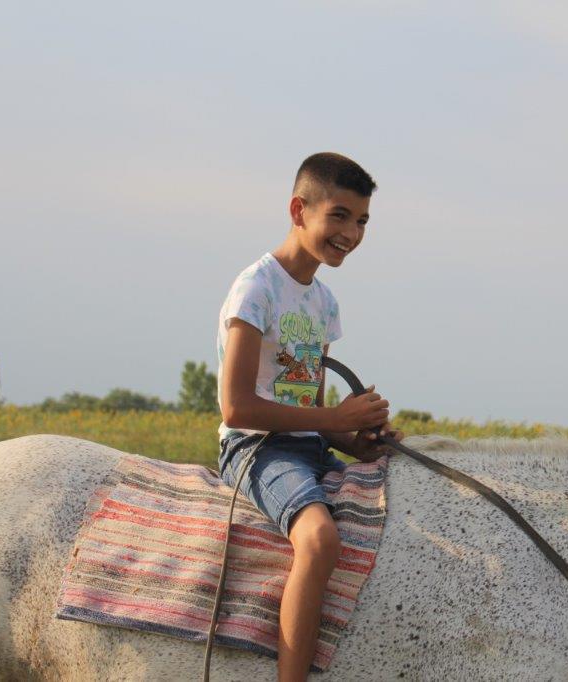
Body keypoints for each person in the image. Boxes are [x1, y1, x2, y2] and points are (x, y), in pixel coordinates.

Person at [216, 152, 400, 681]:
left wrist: (359, 439)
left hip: (305, 445)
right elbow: (237, 408)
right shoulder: (256, 289)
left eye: (362, 220)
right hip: (256, 448)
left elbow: (309, 411)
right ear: (299, 210)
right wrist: (335, 419)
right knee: (320, 539)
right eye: (339, 215)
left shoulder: (324, 303)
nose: (352, 232)